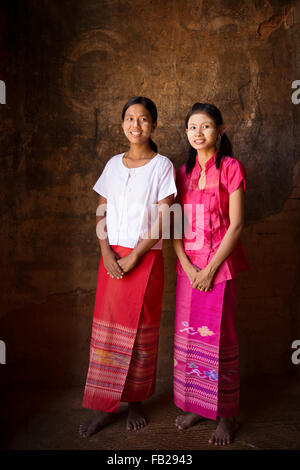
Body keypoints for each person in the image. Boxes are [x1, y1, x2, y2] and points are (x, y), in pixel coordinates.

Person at [79, 96, 177, 438]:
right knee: (108, 333)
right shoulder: (112, 165)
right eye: (130, 118)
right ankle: (106, 407)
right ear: (123, 123)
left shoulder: (162, 165)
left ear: (153, 124)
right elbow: (101, 211)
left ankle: (136, 401)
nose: (136, 124)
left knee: (140, 334)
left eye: (144, 118)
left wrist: (135, 255)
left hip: (145, 258)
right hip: (111, 259)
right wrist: (105, 250)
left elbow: (166, 217)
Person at [173, 102, 250, 446]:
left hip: (219, 266)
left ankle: (226, 415)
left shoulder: (230, 167)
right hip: (188, 268)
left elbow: (236, 226)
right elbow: (174, 225)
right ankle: (198, 406)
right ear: (186, 132)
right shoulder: (182, 172)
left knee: (220, 338)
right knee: (191, 339)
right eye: (192, 127)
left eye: (206, 126)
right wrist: (190, 268)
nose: (198, 132)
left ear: (220, 131)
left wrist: (210, 269)